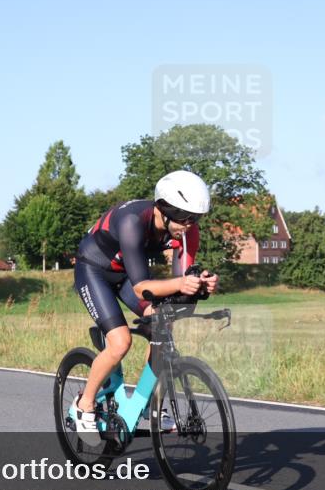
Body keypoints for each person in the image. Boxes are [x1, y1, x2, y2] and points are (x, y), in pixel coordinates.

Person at [69, 170, 219, 445]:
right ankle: (84, 405)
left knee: (163, 324)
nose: (189, 225)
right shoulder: (132, 221)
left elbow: (181, 279)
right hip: (94, 271)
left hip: (125, 274)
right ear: (165, 208)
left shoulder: (187, 231)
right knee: (120, 342)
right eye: (184, 217)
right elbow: (142, 287)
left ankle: (145, 404)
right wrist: (181, 283)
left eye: (195, 218)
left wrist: (200, 285)